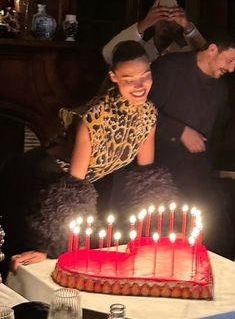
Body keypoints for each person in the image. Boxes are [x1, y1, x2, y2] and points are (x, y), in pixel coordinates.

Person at [1, 41, 178, 275]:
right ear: (113, 77)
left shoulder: (148, 114)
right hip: (40, 180)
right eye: (129, 79)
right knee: (37, 262)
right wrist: (48, 247)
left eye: (145, 76)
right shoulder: (93, 118)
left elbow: (148, 179)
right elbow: (72, 189)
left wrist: (160, 230)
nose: (139, 86)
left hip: (71, 184)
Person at [149, 31, 235, 259]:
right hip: (158, 169)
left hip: (197, 175)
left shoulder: (221, 89)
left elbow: (218, 133)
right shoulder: (170, 68)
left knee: (218, 228)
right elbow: (141, 111)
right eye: (230, 60)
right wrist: (179, 131)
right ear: (213, 49)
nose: (232, 68)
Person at [102, 0, 206, 65]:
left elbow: (209, 60)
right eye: (161, 16)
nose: (166, 22)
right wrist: (144, 23)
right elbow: (108, 53)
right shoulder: (137, 51)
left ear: (178, 25)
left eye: (171, 17)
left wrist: (187, 25)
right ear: (153, 22)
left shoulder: (185, 55)